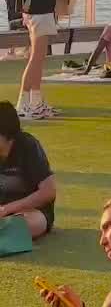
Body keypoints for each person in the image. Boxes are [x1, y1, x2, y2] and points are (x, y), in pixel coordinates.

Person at [0, 99, 57, 239]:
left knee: (33, 223)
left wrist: (7, 209)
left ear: (7, 133)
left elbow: (48, 191)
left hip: (28, 211)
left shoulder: (27, 146)